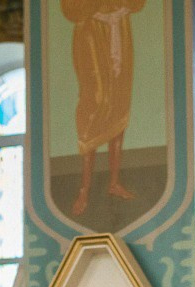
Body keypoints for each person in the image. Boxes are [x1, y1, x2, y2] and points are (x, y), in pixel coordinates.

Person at [62, 0, 146, 216]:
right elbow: (70, 9)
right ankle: (84, 190)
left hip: (119, 29)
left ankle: (114, 182)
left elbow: (137, 3)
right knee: (94, 103)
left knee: (119, 101)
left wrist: (119, 8)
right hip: (91, 35)